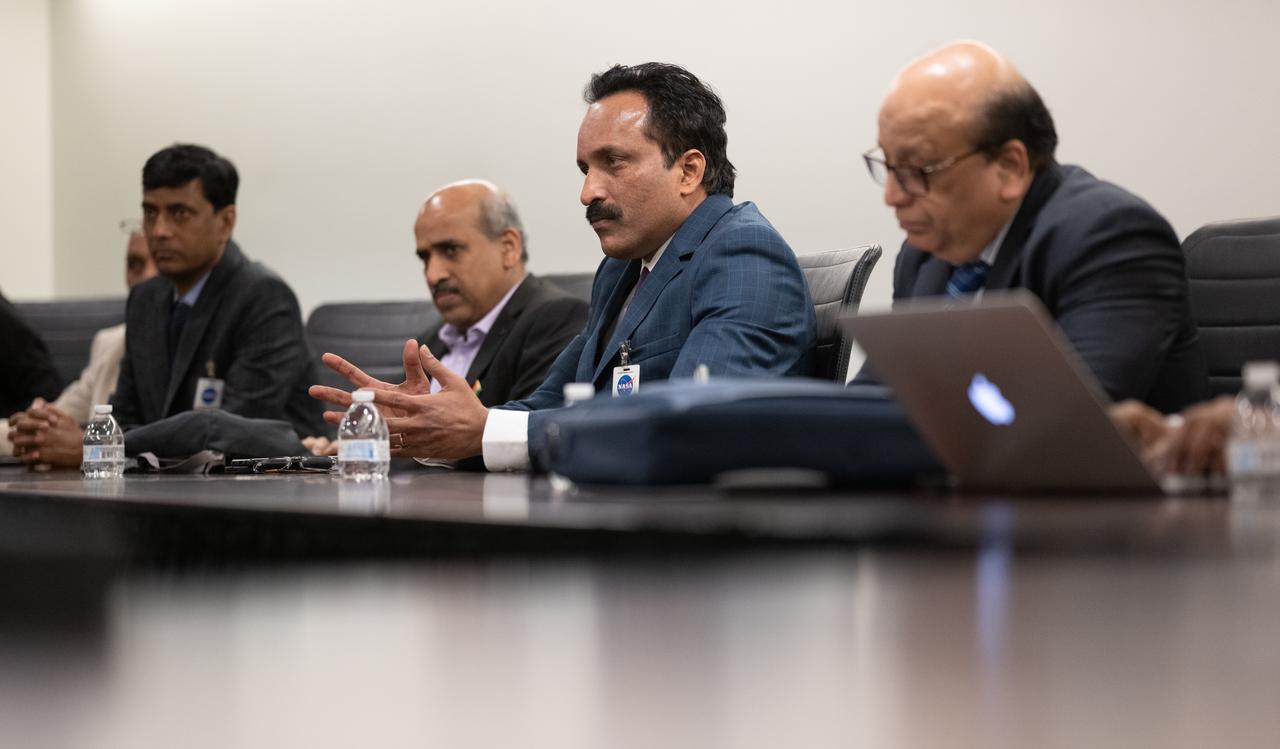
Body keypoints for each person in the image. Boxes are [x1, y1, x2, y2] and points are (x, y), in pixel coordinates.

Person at [310, 62, 815, 470]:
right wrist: (435, 426)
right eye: (584, 169)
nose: (587, 192)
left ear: (688, 170)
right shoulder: (621, 271)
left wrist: (485, 430)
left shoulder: (743, 253)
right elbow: (545, 406)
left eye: (613, 162)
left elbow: (693, 424)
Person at [863, 41, 1207, 413]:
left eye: (917, 171)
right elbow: (866, 405)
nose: (893, 196)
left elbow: (1067, 421)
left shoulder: (1111, 238)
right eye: (889, 166)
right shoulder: (923, 257)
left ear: (1010, 167)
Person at [10, 144, 325, 468]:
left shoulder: (264, 296)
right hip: (173, 486)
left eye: (179, 213)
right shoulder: (146, 299)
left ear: (225, 222)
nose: (158, 231)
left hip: (276, 494)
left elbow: (227, 431)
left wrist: (97, 446)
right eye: (150, 213)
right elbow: (125, 416)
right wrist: (50, 436)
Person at [304, 180, 588, 456]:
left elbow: (530, 436)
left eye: (450, 250)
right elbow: (410, 439)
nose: (432, 274)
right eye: (425, 258)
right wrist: (376, 437)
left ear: (508, 248)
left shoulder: (556, 319)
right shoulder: (432, 340)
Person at [3, 223, 158, 458]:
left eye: (161, 263)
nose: (146, 277)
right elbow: (47, 427)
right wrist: (37, 429)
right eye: (135, 265)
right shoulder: (110, 345)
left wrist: (87, 449)